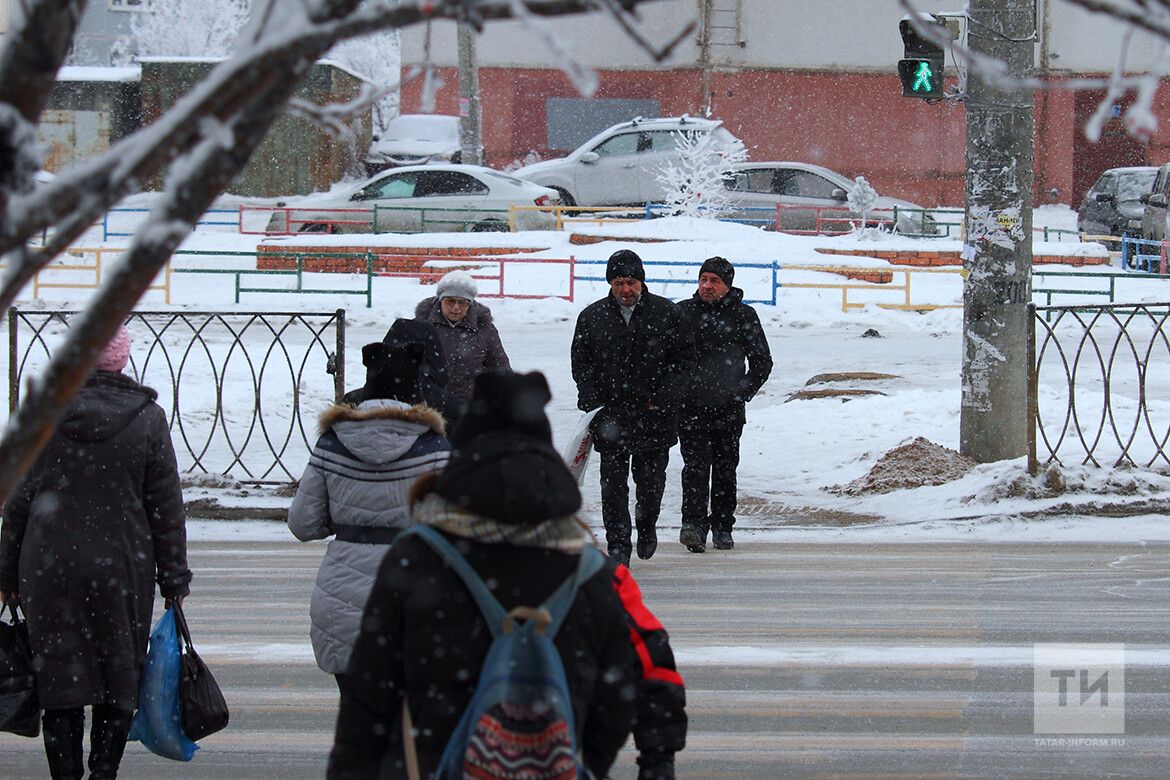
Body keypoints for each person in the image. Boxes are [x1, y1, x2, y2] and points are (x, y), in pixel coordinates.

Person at [327, 371, 637, 779]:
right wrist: (578, 757)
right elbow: (617, 696)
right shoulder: (587, 568)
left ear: (462, 455)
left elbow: (369, 695)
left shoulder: (417, 558)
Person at [0, 325, 191, 779]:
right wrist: (174, 579)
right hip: (123, 568)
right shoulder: (147, 418)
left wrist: (6, 575)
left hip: (48, 567)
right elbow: (165, 506)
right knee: (118, 678)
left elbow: (18, 502)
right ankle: (104, 772)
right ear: (122, 361)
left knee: (59, 682)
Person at [289, 339, 450, 680]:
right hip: (413, 592)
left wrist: (350, 520)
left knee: (355, 707)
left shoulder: (332, 442)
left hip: (341, 596)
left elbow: (303, 524)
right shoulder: (435, 447)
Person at [570, 249, 691, 566]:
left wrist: (663, 398)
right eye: (619, 283)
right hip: (611, 417)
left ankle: (647, 524)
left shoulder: (667, 314)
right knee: (613, 489)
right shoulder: (592, 317)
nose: (626, 289)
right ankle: (618, 546)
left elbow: (683, 362)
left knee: (650, 485)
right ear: (610, 284)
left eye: (631, 282)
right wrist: (593, 402)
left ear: (641, 282)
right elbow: (582, 365)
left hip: (654, 417)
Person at [677, 257, 773, 552]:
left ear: (727, 285)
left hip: (728, 410)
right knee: (694, 469)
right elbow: (667, 359)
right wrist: (677, 392)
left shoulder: (743, 316)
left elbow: (762, 362)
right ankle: (693, 526)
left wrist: (740, 393)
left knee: (725, 469)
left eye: (714, 281)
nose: (707, 286)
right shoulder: (682, 313)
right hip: (691, 409)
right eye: (703, 279)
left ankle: (722, 526)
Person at [414, 270, 510, 419]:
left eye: (463, 302)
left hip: (468, 411)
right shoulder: (421, 326)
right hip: (428, 410)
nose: (456, 307)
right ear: (440, 299)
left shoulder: (485, 329)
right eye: (450, 301)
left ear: (470, 303)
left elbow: (500, 368)